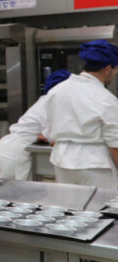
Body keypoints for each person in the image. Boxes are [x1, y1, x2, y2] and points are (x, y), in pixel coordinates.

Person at [44, 39, 118, 189]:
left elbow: (50, 128)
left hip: (61, 161)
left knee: (69, 208)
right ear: (108, 69)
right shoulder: (105, 98)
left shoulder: (57, 91)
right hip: (94, 165)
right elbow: (115, 144)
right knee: (100, 210)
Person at [0, 70, 71, 180]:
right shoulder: (53, 103)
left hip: (5, 148)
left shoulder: (45, 100)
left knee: (8, 191)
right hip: (15, 154)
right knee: (15, 193)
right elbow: (54, 137)